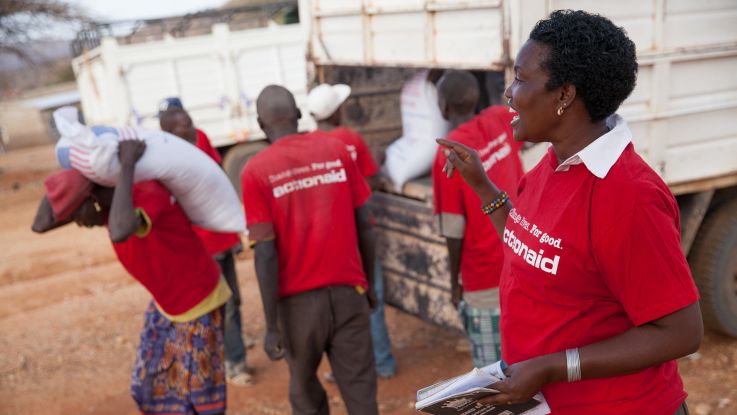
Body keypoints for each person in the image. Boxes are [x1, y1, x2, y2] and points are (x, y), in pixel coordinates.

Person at [437, 10, 702, 415]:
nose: (508, 92)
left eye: (521, 79)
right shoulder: (553, 162)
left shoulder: (629, 198)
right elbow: (528, 243)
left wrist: (552, 367)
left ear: (564, 95)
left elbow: (681, 333)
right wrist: (482, 184)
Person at [32, 140, 230, 415]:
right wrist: (72, 162)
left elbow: (121, 229)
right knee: (146, 387)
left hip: (198, 301)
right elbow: (40, 224)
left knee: (199, 397)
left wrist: (126, 166)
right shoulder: (105, 203)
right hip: (168, 305)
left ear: (91, 199)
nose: (77, 222)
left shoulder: (144, 193)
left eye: (77, 214)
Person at [241, 85, 379, 414]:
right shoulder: (338, 151)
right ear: (300, 115)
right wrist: (369, 285)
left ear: (261, 125)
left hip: (297, 308)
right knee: (360, 392)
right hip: (349, 293)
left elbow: (265, 253)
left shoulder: (256, 171)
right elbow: (366, 226)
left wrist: (272, 324)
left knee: (305, 394)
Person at [432, 70, 524, 368]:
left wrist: (454, 281)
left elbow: (453, 229)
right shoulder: (499, 119)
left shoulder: (449, 152)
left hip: (484, 278)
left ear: (444, 106)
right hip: (523, 261)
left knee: (495, 377)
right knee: (526, 360)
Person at [158, 104, 254, 385]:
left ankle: (232, 342)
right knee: (222, 304)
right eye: (182, 125)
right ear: (169, 132)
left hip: (223, 236)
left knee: (234, 298)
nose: (189, 127)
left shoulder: (200, 138)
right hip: (202, 246)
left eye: (189, 121)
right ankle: (234, 363)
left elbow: (218, 179)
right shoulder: (168, 158)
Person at [307, 83, 397, 379]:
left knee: (338, 307)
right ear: (337, 112)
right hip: (359, 231)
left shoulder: (309, 145)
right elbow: (371, 181)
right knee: (374, 296)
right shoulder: (350, 138)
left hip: (328, 238)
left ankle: (347, 367)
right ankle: (383, 362)